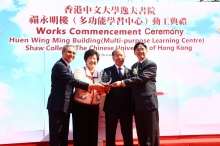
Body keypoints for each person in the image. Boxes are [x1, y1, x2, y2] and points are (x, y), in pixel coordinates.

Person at [46, 45, 105, 146]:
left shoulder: (68, 66)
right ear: (62, 52)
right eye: (69, 52)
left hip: (66, 105)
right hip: (57, 105)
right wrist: (92, 86)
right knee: (57, 136)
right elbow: (72, 81)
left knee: (63, 135)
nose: (71, 55)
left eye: (73, 53)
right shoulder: (60, 65)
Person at [111, 42, 160, 146]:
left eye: (142, 49)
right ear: (134, 53)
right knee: (141, 134)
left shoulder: (151, 64)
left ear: (147, 51)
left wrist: (123, 82)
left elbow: (141, 78)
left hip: (148, 105)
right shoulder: (133, 67)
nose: (140, 51)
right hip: (136, 106)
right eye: (138, 49)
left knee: (152, 133)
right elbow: (131, 82)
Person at [72, 49, 106, 146]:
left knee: (93, 133)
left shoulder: (99, 73)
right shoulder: (79, 70)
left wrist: (104, 90)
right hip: (80, 106)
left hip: (94, 107)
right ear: (85, 60)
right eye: (90, 58)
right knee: (80, 133)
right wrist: (93, 87)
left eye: (94, 59)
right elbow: (78, 83)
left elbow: (102, 90)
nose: (92, 60)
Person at [103, 48, 133, 146]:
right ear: (113, 58)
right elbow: (104, 87)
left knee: (127, 133)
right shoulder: (107, 71)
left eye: (121, 55)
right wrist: (105, 88)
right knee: (110, 132)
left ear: (125, 56)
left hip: (126, 107)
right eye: (117, 55)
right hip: (111, 106)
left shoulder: (130, 71)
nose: (119, 57)